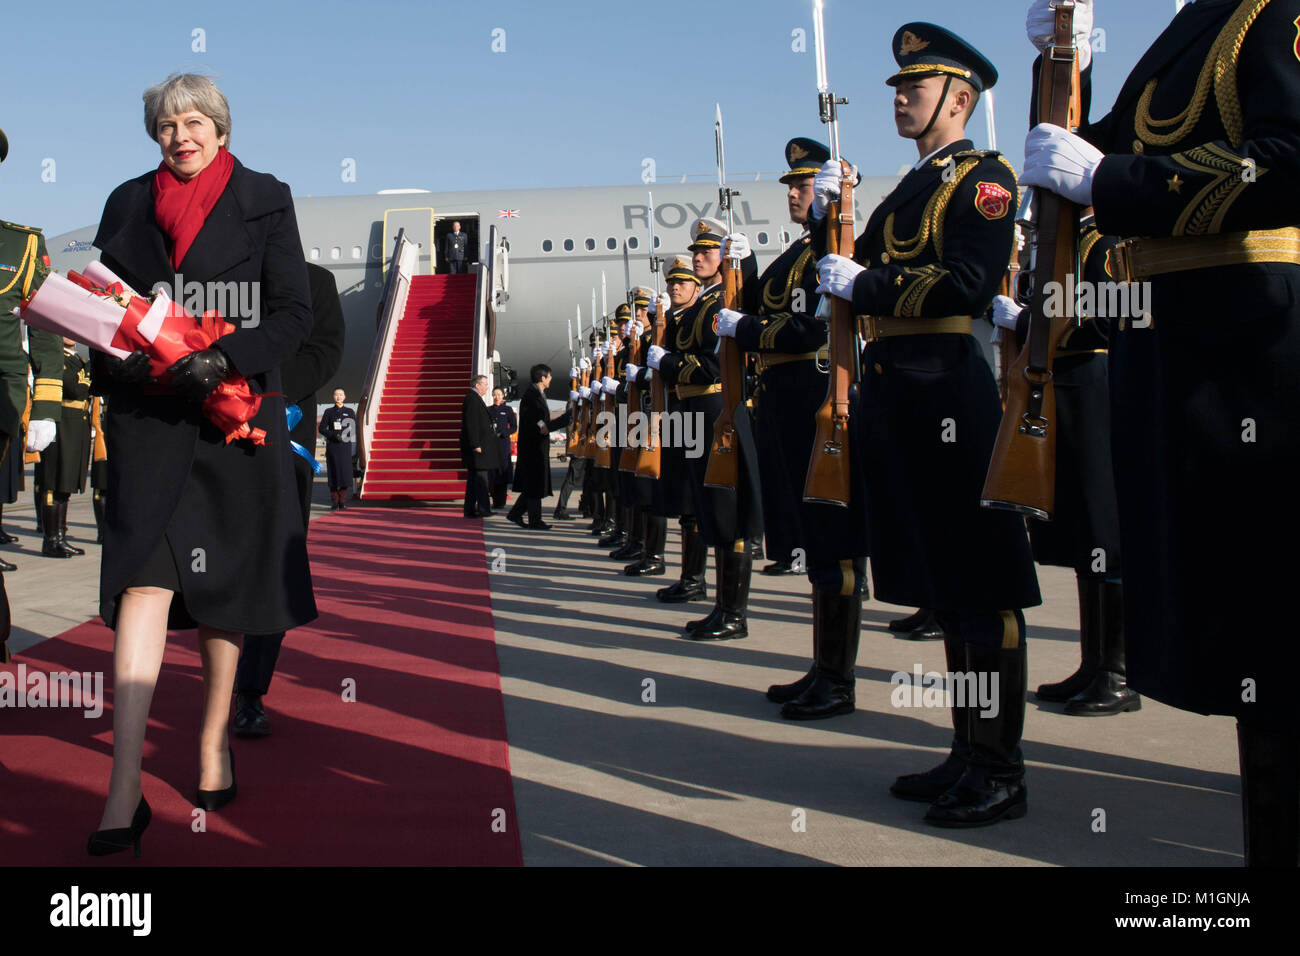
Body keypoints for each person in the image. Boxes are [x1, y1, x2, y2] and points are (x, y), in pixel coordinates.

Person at [1021, 0, 1300, 865]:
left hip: (1257, 350)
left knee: (1280, 644)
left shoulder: (1275, 12)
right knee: (1251, 654)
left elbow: (1284, 162)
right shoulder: (1196, 29)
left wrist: (1112, 186)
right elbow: (1111, 144)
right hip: (1187, 355)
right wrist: (1065, 64)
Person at [814, 24, 1041, 826]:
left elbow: (969, 282)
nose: (902, 97)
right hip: (900, 390)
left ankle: (1001, 766)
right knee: (947, 587)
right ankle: (965, 749)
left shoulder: (984, 177)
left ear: (961, 99)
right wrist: (826, 222)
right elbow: (856, 270)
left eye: (916, 87)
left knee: (983, 583)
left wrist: (867, 284)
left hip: (951, 387)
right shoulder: (910, 187)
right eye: (900, 87)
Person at [86, 72, 317, 856]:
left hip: (232, 420)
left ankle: (213, 740)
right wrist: (121, 365)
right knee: (141, 586)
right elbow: (103, 310)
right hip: (150, 420)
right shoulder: (125, 203)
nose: (179, 135)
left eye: (193, 121)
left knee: (220, 594)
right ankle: (124, 789)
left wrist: (220, 361)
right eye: (165, 125)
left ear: (220, 127)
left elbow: (292, 312)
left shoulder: (265, 197)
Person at [716, 137, 870, 716]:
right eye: (791, 189)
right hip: (783, 398)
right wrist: (745, 265)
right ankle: (822, 668)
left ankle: (839, 679)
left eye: (803, 188)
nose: (793, 196)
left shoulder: (836, 252)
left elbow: (807, 331)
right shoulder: (796, 256)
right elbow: (756, 301)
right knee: (810, 538)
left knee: (835, 541)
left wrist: (748, 332)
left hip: (815, 391)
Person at [235, 261, 345, 738]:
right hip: (220, 428)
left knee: (274, 569)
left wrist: (263, 388)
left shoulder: (314, 281)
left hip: (286, 428)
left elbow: (325, 352)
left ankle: (250, 693)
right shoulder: (224, 277)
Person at [646, 218, 762, 641]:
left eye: (707, 252)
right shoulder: (700, 306)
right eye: (695, 252)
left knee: (726, 505)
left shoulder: (719, 305)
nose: (698, 258)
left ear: (722, 258)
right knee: (700, 500)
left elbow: (712, 365)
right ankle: (716, 600)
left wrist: (669, 364)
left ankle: (733, 612)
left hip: (715, 406)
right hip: (691, 408)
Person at [36, 339, 92, 558]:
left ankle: (61, 536)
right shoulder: (57, 359)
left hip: (76, 425)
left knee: (66, 484)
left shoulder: (77, 359)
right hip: (62, 424)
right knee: (54, 482)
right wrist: (87, 377)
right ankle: (51, 540)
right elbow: (74, 388)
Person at [508, 364, 571, 529]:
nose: (551, 379)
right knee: (535, 484)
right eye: (549, 376)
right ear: (542, 378)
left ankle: (516, 513)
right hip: (533, 447)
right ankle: (535, 520)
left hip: (535, 446)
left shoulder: (536, 394)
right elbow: (540, 424)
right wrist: (566, 418)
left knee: (532, 484)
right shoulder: (532, 397)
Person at [459, 374, 498, 518]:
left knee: (474, 480)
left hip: (478, 446)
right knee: (481, 479)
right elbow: (471, 424)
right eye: (485, 384)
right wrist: (475, 444)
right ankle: (483, 509)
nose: (487, 387)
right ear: (477, 385)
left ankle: (470, 509)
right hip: (476, 448)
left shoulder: (475, 398)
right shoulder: (472, 399)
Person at [318, 387, 357, 510]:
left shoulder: (350, 411)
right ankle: (334, 501)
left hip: (345, 447)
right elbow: (322, 428)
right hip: (333, 447)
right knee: (333, 473)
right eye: (336, 394)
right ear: (333, 397)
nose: (338, 397)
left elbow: (353, 428)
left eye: (341, 394)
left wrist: (344, 436)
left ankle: (342, 501)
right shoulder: (328, 412)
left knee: (345, 474)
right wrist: (333, 435)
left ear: (345, 397)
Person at [487, 386, 517, 509]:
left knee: (503, 472)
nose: (497, 397)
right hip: (492, 444)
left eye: (499, 394)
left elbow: (514, 426)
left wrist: (506, 432)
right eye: (494, 394)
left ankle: (501, 500)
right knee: (492, 472)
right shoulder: (488, 410)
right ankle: (495, 499)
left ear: (503, 396)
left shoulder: (508, 410)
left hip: (503, 444)